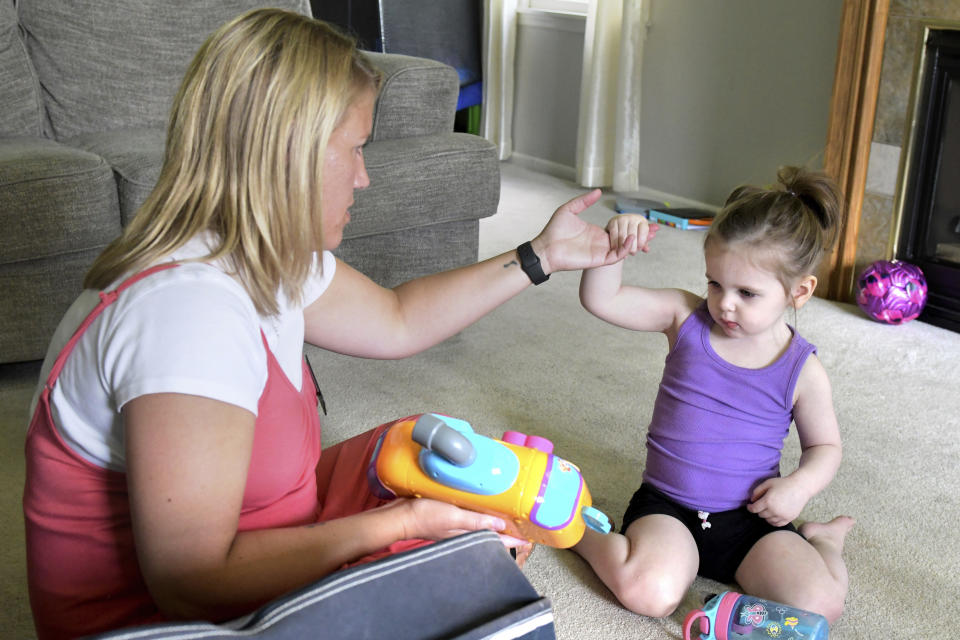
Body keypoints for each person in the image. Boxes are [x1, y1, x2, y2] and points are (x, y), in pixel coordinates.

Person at [21, 9, 635, 640]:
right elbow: (189, 582)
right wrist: (402, 529)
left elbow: (398, 320)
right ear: (289, 154)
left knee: (418, 455)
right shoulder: (186, 316)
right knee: (476, 596)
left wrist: (543, 256)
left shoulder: (263, 249)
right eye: (356, 149)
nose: (364, 177)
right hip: (153, 621)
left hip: (252, 533)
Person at [573, 166, 855, 624]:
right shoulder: (684, 317)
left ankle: (823, 541)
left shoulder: (804, 369)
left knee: (821, 607)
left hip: (750, 520)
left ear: (798, 292)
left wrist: (798, 488)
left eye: (747, 292)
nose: (724, 303)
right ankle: (574, 531)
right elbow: (603, 300)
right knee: (649, 593)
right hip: (670, 508)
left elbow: (825, 448)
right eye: (715, 283)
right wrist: (612, 249)